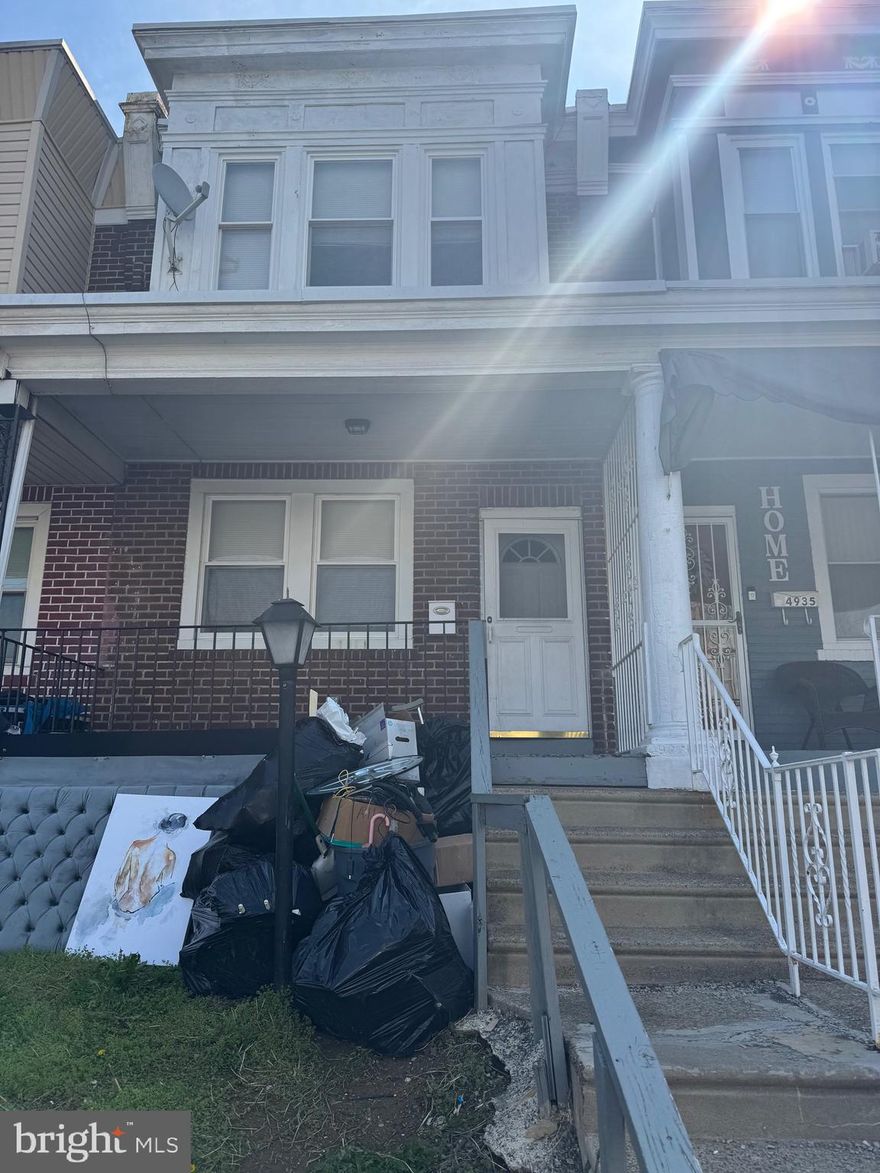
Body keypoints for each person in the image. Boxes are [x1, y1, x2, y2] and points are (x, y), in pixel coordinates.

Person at [112, 813, 188, 915]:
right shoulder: (170, 856)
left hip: (122, 899)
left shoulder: (136, 845)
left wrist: (118, 896)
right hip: (142, 904)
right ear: (178, 831)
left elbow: (121, 875)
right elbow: (162, 883)